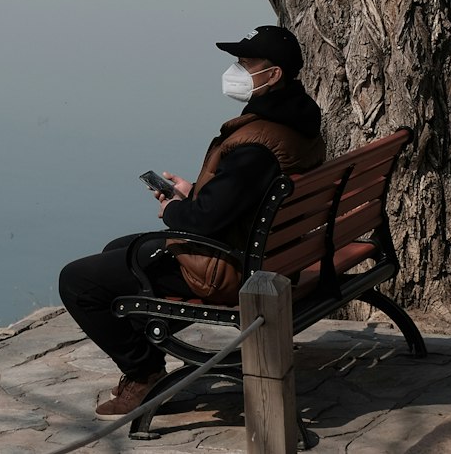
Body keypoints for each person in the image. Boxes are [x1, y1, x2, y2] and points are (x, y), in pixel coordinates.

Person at [57, 24, 324, 418]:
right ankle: (147, 344)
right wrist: (195, 188)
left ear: (274, 74)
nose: (237, 69)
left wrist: (174, 210)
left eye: (246, 62)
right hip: (273, 253)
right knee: (118, 250)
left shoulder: (257, 144)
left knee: (78, 280)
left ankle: (143, 371)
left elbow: (203, 221)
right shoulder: (295, 122)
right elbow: (241, 193)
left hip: (227, 270)